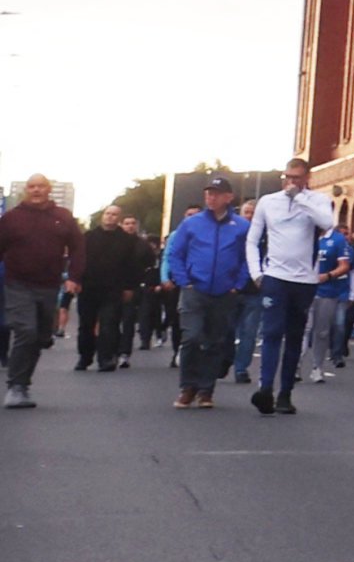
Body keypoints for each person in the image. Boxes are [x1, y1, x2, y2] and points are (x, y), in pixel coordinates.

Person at [244, 158, 340, 415]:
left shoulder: (317, 200)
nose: (290, 182)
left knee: (295, 336)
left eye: (296, 177)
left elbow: (326, 223)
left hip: (304, 280)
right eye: (287, 176)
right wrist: (257, 273)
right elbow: (252, 240)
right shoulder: (268, 202)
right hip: (275, 277)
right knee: (272, 332)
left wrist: (299, 198)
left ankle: (285, 393)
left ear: (306, 178)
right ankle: (265, 389)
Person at [160, 176, 253, 408]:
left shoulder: (241, 226)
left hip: (224, 292)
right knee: (191, 337)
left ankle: (206, 390)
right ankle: (187, 387)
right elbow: (176, 254)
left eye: (217, 193)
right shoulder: (192, 224)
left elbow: (248, 258)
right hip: (195, 289)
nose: (211, 198)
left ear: (228, 197)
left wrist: (238, 285)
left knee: (215, 341)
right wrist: (184, 280)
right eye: (209, 193)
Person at [0, 176, 79, 407]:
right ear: (26, 190)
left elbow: (77, 248)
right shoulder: (12, 218)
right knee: (26, 331)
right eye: (32, 187)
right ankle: (16, 387)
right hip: (17, 283)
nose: (36, 190)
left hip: (48, 285)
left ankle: (23, 383)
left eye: (41, 186)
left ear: (48, 189)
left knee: (41, 337)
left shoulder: (62, 217)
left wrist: (74, 277)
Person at [75, 204, 151, 374]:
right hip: (89, 287)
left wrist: (130, 287)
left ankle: (106, 358)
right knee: (86, 325)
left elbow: (133, 266)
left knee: (109, 324)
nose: (110, 217)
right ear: (103, 216)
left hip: (114, 289)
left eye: (114, 214)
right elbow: (78, 260)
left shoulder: (127, 240)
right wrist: (76, 280)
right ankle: (85, 356)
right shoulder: (88, 237)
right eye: (108, 213)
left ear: (119, 219)